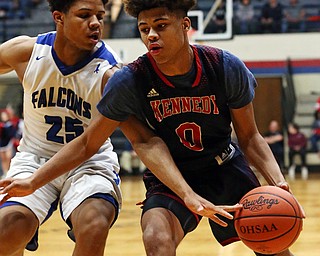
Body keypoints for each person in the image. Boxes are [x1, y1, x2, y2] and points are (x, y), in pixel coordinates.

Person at [0, 1, 302, 256]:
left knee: (274, 242)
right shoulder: (132, 79)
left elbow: (250, 136)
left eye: (161, 26)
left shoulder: (224, 66)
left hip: (222, 164)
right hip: (169, 171)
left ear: (185, 25)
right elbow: (143, 142)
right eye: (145, 30)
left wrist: (278, 183)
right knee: (156, 239)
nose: (152, 36)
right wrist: (187, 195)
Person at [0, 0, 126, 255]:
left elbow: (135, 139)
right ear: (59, 17)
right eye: (84, 15)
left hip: (88, 162)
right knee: (7, 228)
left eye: (100, 16)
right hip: (35, 157)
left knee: (94, 224)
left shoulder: (110, 74)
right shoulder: (26, 52)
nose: (95, 23)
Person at [0, 110, 15, 179]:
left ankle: (9, 172)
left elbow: (12, 134)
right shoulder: (1, 125)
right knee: (3, 159)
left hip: (8, 143)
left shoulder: (10, 124)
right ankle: (5, 172)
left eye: (5, 115)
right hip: (1, 144)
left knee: (8, 158)